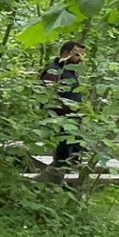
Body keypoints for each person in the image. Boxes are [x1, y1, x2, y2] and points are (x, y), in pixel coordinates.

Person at [39, 41, 86, 169]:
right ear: (65, 54)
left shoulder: (71, 72)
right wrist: (62, 112)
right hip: (61, 118)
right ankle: (56, 176)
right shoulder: (53, 71)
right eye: (77, 55)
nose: (80, 59)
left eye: (82, 55)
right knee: (63, 152)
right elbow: (49, 94)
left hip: (73, 118)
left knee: (75, 149)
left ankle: (72, 175)